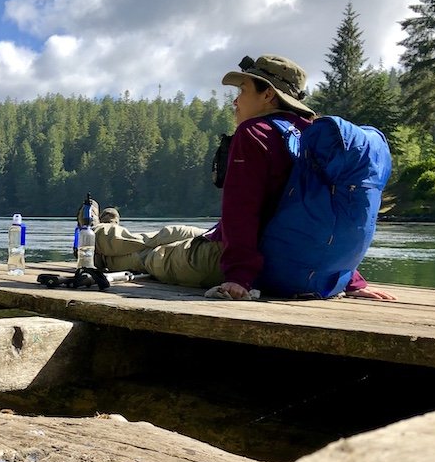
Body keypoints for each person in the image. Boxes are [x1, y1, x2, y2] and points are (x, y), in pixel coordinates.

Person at [93, 53, 394, 301]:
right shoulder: (312, 135)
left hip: (241, 262)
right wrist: (350, 280)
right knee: (175, 232)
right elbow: (334, 214)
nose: (235, 102)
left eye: (242, 91)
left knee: (154, 258)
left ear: (267, 94)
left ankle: (96, 241)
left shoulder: (255, 133)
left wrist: (238, 277)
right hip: (256, 248)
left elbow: (241, 211)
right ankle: (105, 231)